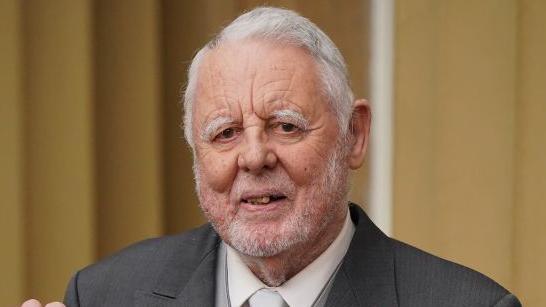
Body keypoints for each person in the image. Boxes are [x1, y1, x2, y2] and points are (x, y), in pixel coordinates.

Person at [22, 7, 521, 307]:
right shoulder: (106, 296)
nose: (254, 157)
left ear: (354, 135)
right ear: (195, 153)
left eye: (286, 125)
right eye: (225, 133)